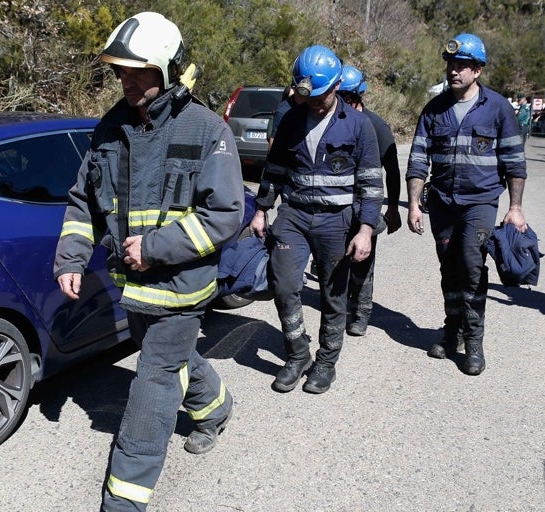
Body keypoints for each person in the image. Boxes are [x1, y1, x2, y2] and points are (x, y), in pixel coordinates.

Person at [53, 12, 242, 511]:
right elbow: (83, 202)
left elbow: (224, 214)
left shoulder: (206, 128)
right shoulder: (110, 128)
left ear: (170, 70)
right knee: (173, 358)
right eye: (121, 71)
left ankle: (124, 501)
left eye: (140, 71)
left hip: (181, 288)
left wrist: (156, 247)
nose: (128, 81)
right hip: (131, 288)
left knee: (152, 388)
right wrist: (72, 257)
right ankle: (216, 406)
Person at [250, 45, 383, 394]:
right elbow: (274, 170)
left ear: (337, 86)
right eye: (307, 95)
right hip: (293, 215)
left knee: (332, 294)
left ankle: (326, 362)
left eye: (321, 96)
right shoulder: (292, 118)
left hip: (337, 221)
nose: (314, 103)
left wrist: (366, 229)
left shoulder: (358, 126)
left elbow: (371, 184)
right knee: (283, 285)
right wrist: (262, 208)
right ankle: (297, 354)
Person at [405, 33, 527, 376]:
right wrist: (414, 204)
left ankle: (474, 342)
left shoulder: (498, 108)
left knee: (472, 267)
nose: (454, 71)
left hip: (481, 203)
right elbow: (417, 161)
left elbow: (515, 163)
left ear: (478, 70)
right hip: (442, 203)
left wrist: (515, 208)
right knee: (449, 269)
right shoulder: (434, 109)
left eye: (462, 66)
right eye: (451, 65)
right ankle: (451, 332)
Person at [335, 64, 402, 336]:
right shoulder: (335, 121)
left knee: (363, 261)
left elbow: (393, 170)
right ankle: (339, 307)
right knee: (338, 259)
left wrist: (395, 207)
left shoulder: (377, 126)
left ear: (355, 97)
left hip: (367, 205)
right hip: (338, 203)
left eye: (345, 97)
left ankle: (361, 313)